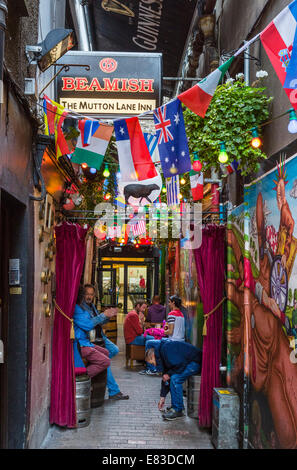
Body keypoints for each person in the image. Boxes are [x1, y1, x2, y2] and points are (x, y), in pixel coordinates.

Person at [73, 284, 129, 400]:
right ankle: (79, 380)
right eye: (87, 294)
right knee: (105, 361)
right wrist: (103, 315)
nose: (89, 296)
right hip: (82, 343)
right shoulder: (78, 308)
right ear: (82, 295)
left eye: (91, 294)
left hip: (92, 339)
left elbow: (99, 321)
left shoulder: (91, 306)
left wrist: (108, 316)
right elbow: (88, 325)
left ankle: (111, 387)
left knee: (109, 353)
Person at [145, 340, 202, 420]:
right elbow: (165, 378)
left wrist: (169, 374)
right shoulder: (162, 356)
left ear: (153, 356)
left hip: (195, 362)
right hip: (188, 362)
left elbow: (181, 364)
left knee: (175, 379)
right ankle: (178, 406)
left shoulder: (166, 350)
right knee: (172, 377)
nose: (153, 365)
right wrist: (162, 397)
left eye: (151, 362)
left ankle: (178, 409)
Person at [123, 299, 157, 375]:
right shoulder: (133, 315)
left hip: (134, 337)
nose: (144, 310)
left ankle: (151, 366)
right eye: (143, 308)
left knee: (151, 339)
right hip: (132, 339)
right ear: (138, 306)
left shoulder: (133, 314)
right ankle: (151, 367)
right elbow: (139, 331)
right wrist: (141, 321)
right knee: (153, 340)